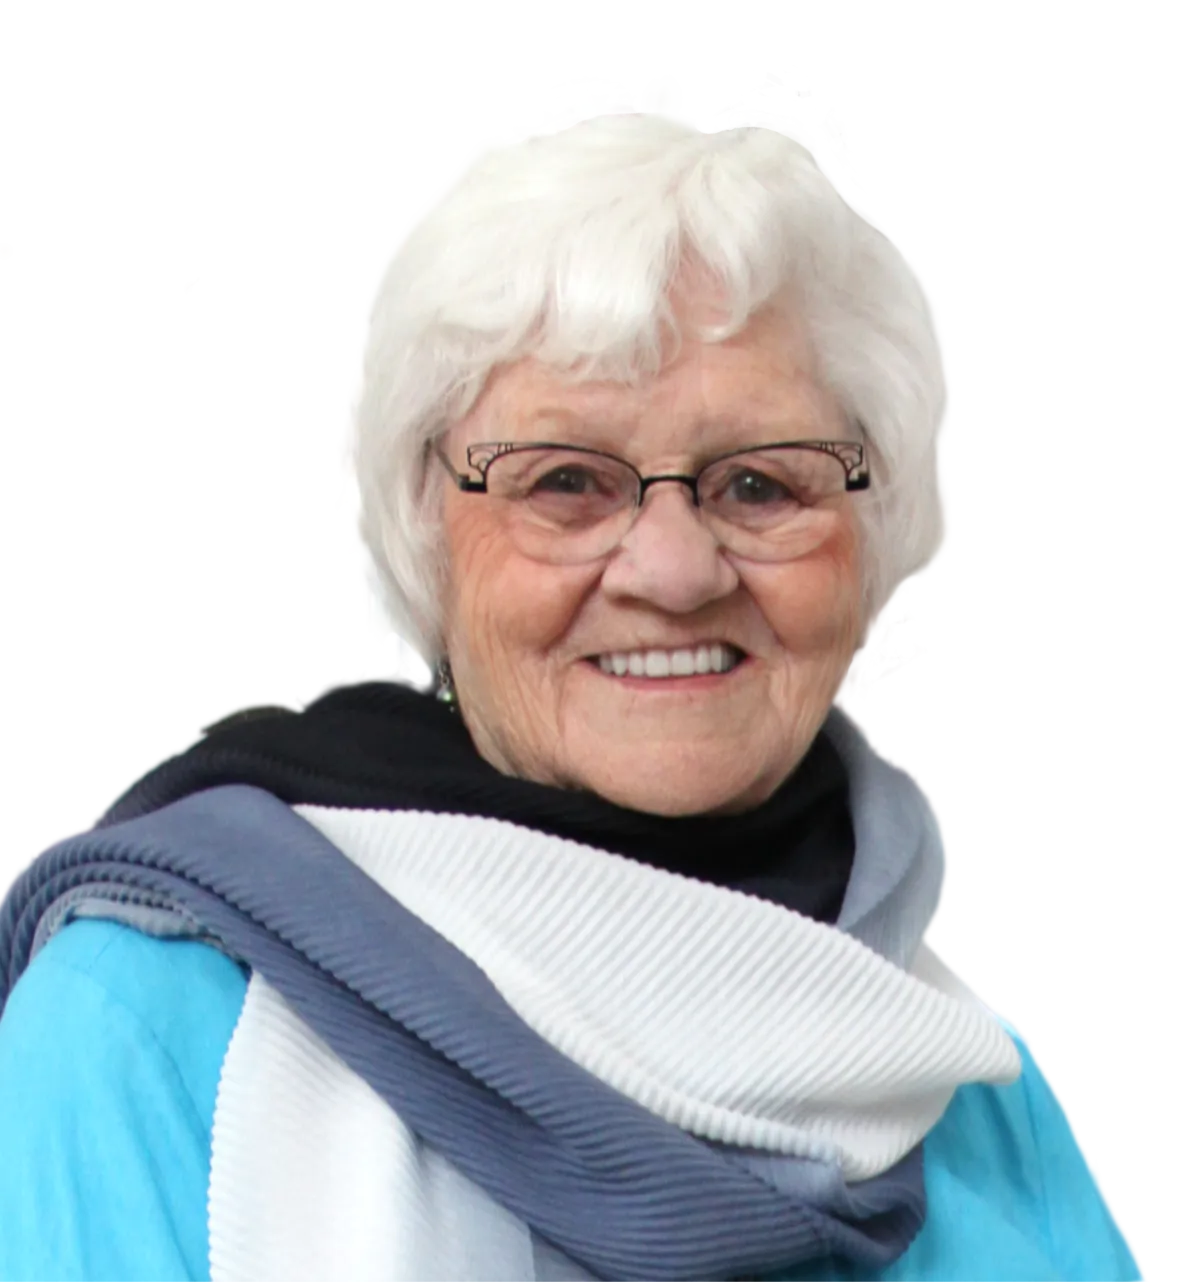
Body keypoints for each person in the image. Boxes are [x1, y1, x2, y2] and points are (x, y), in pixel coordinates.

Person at [0, 74, 1145, 1282]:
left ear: (872, 545)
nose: (675, 568)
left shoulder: (963, 1078)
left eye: (761, 483)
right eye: (565, 482)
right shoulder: (144, 1026)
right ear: (427, 533)